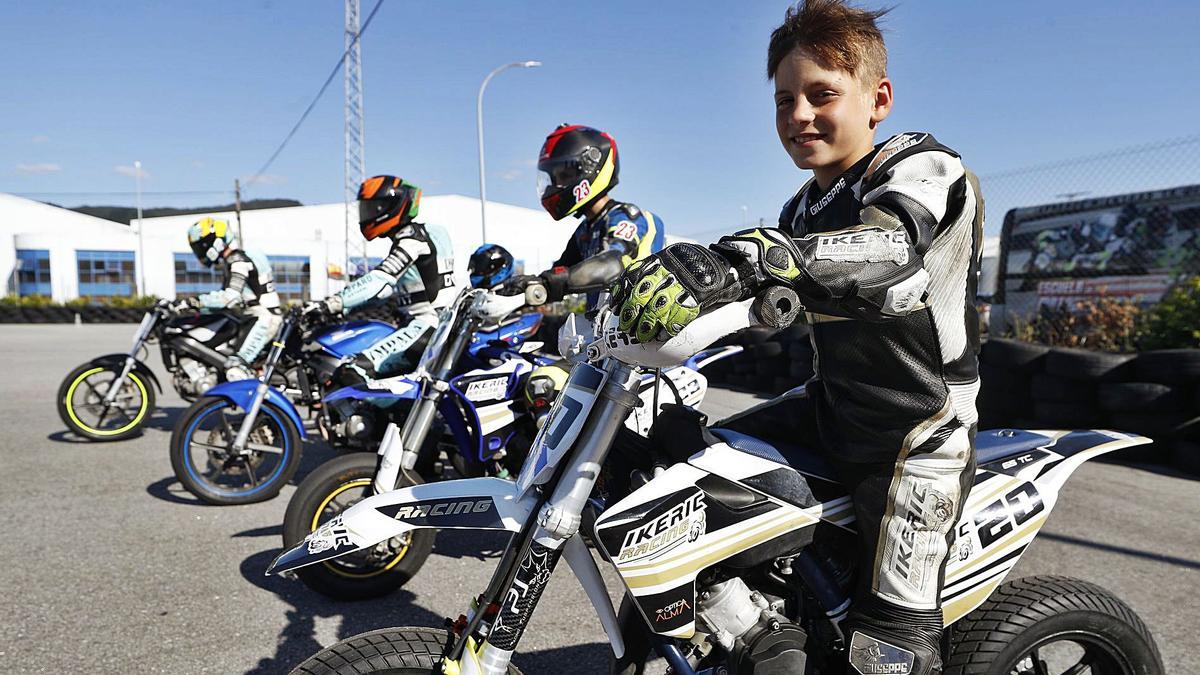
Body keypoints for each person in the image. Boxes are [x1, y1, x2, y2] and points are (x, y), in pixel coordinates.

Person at [612, 2, 985, 673]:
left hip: (915, 437)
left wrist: (756, 257)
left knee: (889, 654)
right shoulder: (802, 207)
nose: (800, 116)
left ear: (879, 99)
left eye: (823, 94)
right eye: (785, 99)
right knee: (670, 457)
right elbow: (770, 295)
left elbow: (889, 249)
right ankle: (748, 629)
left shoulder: (923, 167)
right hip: (829, 410)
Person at [519, 124, 668, 412]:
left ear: (587, 170)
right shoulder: (586, 229)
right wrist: (520, 288)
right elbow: (561, 272)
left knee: (545, 385)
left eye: (562, 175)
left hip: (641, 350)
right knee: (531, 384)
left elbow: (613, 264)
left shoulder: (631, 217)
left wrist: (551, 283)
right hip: (601, 347)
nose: (556, 185)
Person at [307, 175, 455, 380]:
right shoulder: (418, 235)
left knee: (354, 371)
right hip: (425, 325)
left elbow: (379, 280)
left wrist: (330, 304)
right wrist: (346, 310)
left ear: (393, 207)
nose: (368, 215)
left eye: (374, 208)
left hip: (428, 326)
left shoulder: (413, 240)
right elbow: (386, 292)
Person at [186, 217, 281, 381]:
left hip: (263, 318)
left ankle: (260, 403)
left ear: (217, 241)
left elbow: (230, 297)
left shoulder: (238, 261)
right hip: (253, 316)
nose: (201, 251)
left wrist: (193, 302)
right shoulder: (236, 259)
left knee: (235, 368)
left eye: (203, 245)